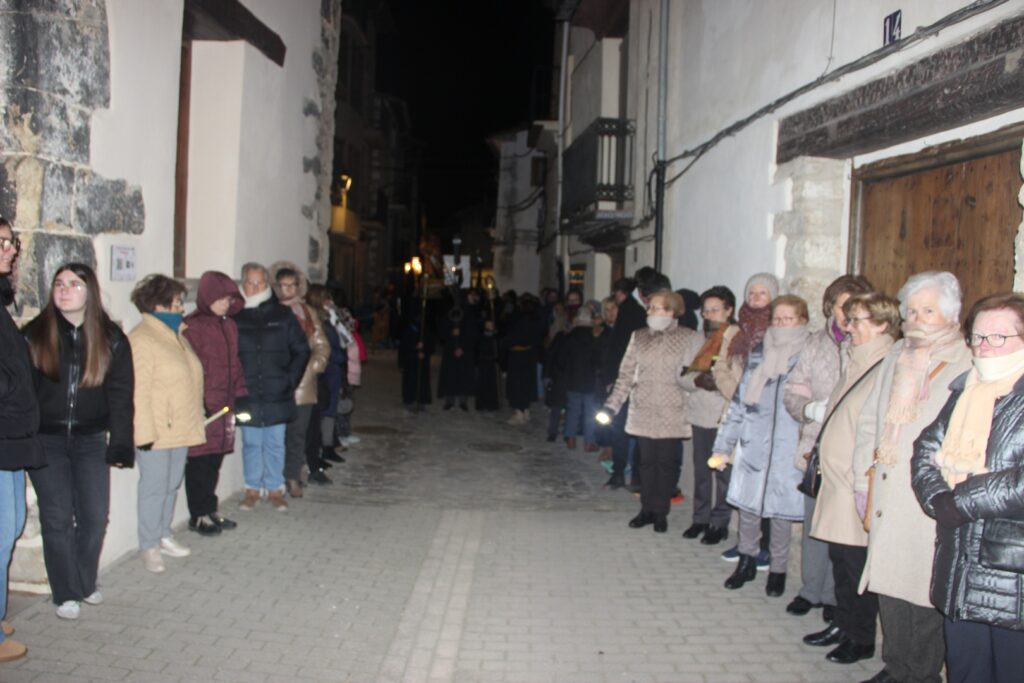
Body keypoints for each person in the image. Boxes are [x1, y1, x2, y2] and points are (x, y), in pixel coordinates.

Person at [854, 271, 972, 683]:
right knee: (889, 587)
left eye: (929, 310)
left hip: (927, 496)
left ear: (951, 314)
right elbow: (870, 419)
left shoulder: (968, 361)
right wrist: (858, 480)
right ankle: (896, 665)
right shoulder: (898, 354)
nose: (918, 318)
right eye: (912, 310)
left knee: (923, 592)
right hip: (888, 492)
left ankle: (920, 674)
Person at [911, 292, 1024, 683]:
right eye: (978, 337)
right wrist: (938, 496)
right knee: (965, 671)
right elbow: (926, 448)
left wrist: (960, 499)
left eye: (999, 337)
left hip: (1012, 574)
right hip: (959, 564)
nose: (986, 346)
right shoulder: (966, 389)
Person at [24, 263, 134, 620]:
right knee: (57, 516)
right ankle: (65, 592)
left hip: (90, 439)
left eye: (74, 284)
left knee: (94, 516)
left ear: (90, 292)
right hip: (47, 440)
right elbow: (23, 393)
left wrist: (120, 442)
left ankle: (85, 581)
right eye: (58, 283)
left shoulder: (111, 338)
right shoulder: (34, 335)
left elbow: (120, 395)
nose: (64, 290)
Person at [803, 293, 899, 665]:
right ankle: (842, 624)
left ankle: (860, 637)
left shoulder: (886, 364)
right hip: (837, 480)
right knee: (840, 559)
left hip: (857, 484)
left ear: (882, 325)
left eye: (858, 320)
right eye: (850, 318)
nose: (850, 326)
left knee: (855, 564)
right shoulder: (857, 360)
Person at [783, 274, 873, 621]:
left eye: (854, 306)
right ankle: (811, 589)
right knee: (814, 525)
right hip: (816, 447)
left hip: (851, 452)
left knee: (844, 533)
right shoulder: (815, 343)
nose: (847, 314)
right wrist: (808, 409)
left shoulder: (869, 346)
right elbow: (794, 388)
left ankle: (837, 599)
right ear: (830, 307)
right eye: (841, 306)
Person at [710, 294, 809, 595]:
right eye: (776, 319)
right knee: (749, 509)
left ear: (802, 321)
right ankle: (746, 560)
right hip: (754, 444)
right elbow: (739, 405)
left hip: (787, 447)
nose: (780, 324)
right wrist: (722, 447)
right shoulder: (757, 355)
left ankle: (777, 569)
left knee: (779, 513)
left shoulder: (807, 357)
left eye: (787, 319)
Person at [600, 290, 701, 533]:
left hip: (671, 410)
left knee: (664, 463)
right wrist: (612, 405)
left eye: (655, 307)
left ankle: (661, 511)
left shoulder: (688, 337)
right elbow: (626, 374)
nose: (649, 311)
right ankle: (646, 509)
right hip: (643, 408)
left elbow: (694, 376)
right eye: (650, 307)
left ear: (670, 310)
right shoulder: (639, 336)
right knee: (645, 463)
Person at [128, 275, 206, 573]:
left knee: (172, 484)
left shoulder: (176, 335)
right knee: (154, 487)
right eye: (176, 303)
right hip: (156, 430)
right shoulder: (143, 339)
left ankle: (162, 534)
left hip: (181, 426)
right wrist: (144, 433)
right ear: (158, 305)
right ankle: (148, 544)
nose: (181, 308)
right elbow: (139, 391)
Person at [233, 263, 310, 512]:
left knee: (276, 442)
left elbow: (301, 349)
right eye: (250, 282)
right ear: (243, 284)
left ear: (267, 285)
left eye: (259, 283)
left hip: (278, 392)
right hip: (248, 393)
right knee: (252, 443)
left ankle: (276, 489)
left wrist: (290, 380)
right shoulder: (236, 316)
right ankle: (252, 488)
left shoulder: (282, 315)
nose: (254, 287)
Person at [0, 219, 43, 661]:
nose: (11, 250)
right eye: (2, 242)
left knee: (9, 528)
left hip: (11, 433)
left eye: (12, 242)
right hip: (4, 427)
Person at [716, 273, 779, 566]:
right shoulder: (735, 332)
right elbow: (721, 369)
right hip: (739, 410)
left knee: (765, 485)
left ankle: (765, 546)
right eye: (751, 293)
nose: (755, 298)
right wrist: (742, 395)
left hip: (768, 420)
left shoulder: (779, 332)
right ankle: (746, 543)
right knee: (739, 482)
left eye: (762, 293)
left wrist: (755, 398)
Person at [181, 271, 247, 536]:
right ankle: (198, 515)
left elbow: (235, 364)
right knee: (199, 462)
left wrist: (241, 394)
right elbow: (190, 368)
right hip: (205, 407)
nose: (225, 304)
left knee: (214, 461)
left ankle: (210, 509)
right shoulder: (193, 326)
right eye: (221, 298)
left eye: (229, 299)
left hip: (225, 406)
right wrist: (200, 403)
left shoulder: (229, 325)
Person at [678, 286, 739, 545]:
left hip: (724, 413)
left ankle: (720, 521)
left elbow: (739, 377)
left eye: (716, 309)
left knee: (723, 472)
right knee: (702, 470)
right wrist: (697, 382)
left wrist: (719, 383)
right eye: (706, 310)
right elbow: (681, 375)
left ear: (729, 310)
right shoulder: (695, 338)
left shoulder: (736, 337)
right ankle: (700, 518)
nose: (710, 314)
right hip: (701, 411)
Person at [270, 263, 330, 497]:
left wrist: (312, 368)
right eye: (282, 286)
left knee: (297, 433)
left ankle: (293, 476)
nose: (287, 291)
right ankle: (275, 477)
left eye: (291, 286)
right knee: (276, 435)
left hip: (303, 385)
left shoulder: (306, 312)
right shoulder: (270, 311)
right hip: (277, 384)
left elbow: (321, 345)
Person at [602, 278, 648, 488]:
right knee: (625, 430)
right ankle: (630, 475)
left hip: (629, 380)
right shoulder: (635, 312)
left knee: (621, 429)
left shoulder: (629, 313)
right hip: (632, 379)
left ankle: (621, 472)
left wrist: (611, 379)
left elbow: (619, 351)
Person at [304, 284, 347, 475]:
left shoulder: (329, 319)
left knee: (330, 408)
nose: (330, 301)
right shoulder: (318, 321)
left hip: (333, 371)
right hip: (327, 371)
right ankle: (324, 448)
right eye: (326, 298)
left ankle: (327, 446)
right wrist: (339, 356)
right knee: (325, 409)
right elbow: (326, 348)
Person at [554, 306, 600, 450]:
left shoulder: (569, 337)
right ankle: (589, 442)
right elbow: (598, 360)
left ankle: (571, 440)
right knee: (590, 413)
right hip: (590, 381)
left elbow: (560, 360)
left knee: (572, 411)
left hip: (573, 379)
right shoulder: (595, 338)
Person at [504, 294, 546, 425]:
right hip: (530, 355)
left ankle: (519, 412)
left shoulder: (520, 320)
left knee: (517, 385)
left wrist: (504, 342)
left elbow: (512, 337)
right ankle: (525, 409)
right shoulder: (537, 320)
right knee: (526, 384)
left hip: (518, 356)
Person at [437, 290, 481, 411]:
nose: (473, 297)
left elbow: (474, 333)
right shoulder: (451, 311)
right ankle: (449, 400)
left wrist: (464, 347)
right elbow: (443, 328)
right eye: (470, 295)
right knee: (451, 375)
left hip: (465, 350)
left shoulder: (472, 312)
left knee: (463, 375)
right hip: (451, 348)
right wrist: (451, 333)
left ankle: (463, 400)